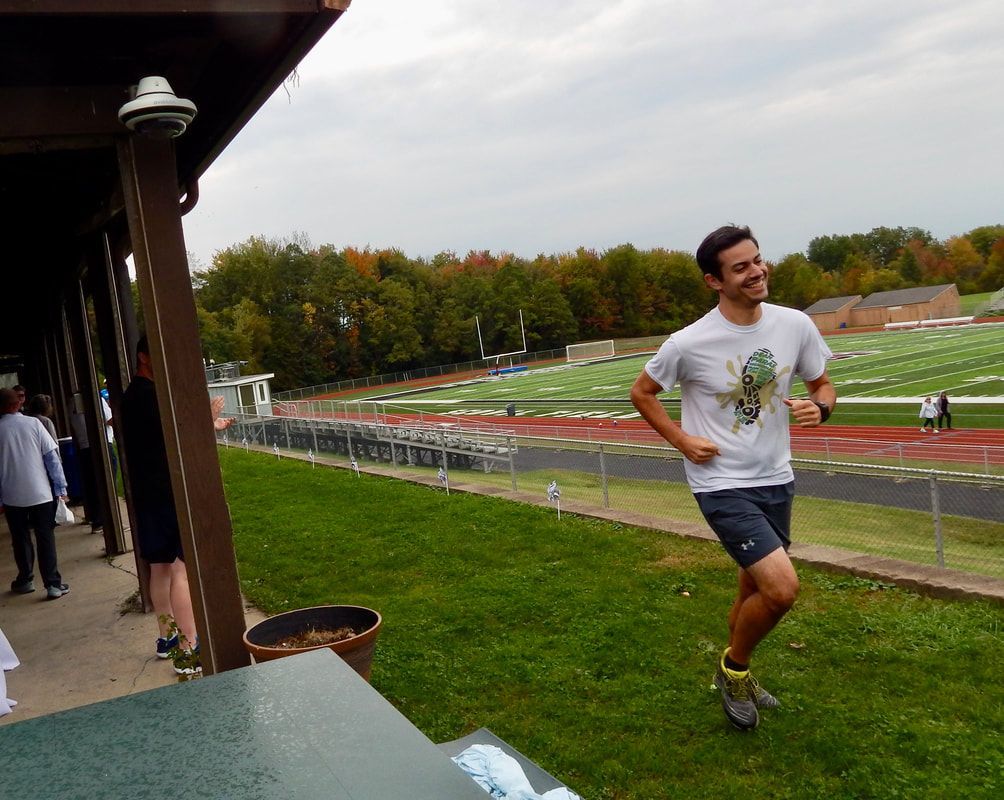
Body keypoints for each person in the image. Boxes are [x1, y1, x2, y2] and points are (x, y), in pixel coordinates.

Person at [630, 225, 836, 731]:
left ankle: (737, 665)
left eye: (758, 261)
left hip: (776, 476)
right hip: (720, 482)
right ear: (713, 281)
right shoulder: (688, 342)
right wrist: (681, 440)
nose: (756, 272)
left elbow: (823, 384)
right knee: (782, 589)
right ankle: (735, 669)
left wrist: (820, 409)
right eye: (740, 267)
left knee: (752, 589)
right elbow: (642, 393)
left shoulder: (794, 326)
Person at [119, 336, 232, 672]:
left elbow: (157, 438)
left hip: (147, 492)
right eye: (158, 355)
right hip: (167, 491)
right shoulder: (151, 396)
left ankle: (167, 638)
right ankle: (188, 648)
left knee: (160, 566)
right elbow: (178, 441)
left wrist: (209, 424)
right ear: (143, 358)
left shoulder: (131, 397)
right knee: (182, 567)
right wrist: (206, 419)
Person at [0, 387, 70, 599]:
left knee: (20, 539)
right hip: (40, 492)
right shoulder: (34, 424)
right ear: (18, 404)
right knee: (45, 537)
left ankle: (26, 579)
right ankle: (53, 584)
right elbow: (51, 458)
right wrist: (61, 488)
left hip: (12, 495)